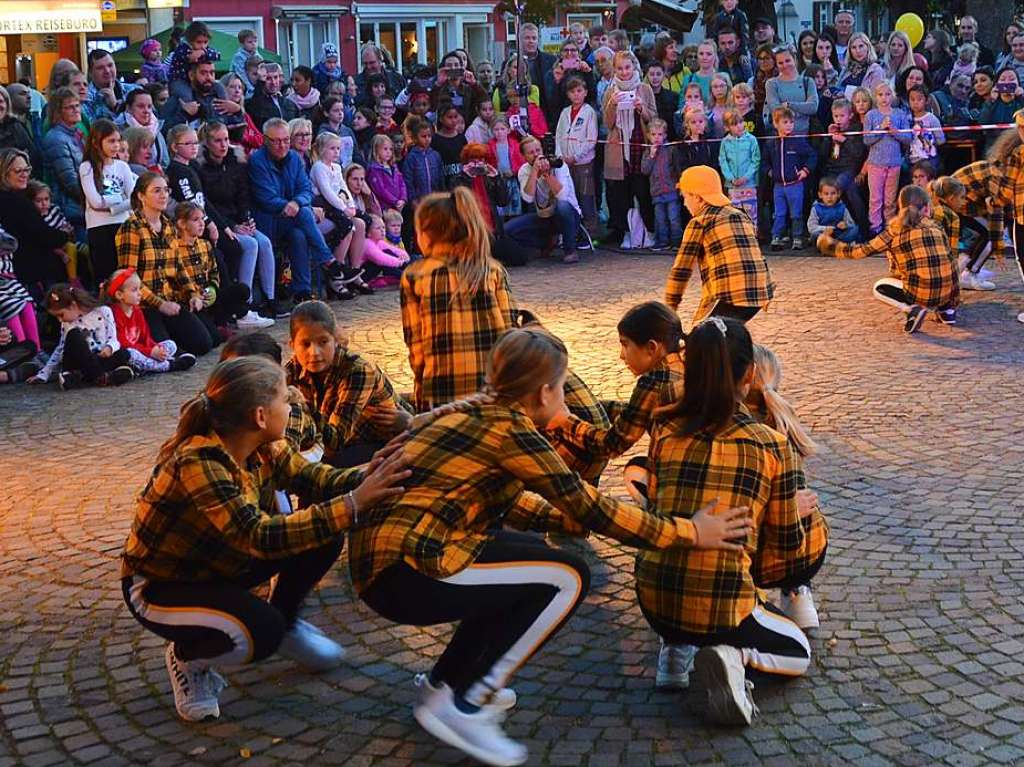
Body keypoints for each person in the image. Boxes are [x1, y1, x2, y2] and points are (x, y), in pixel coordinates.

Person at [349, 324, 751, 765]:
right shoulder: (513, 430)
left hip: (386, 561)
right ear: (543, 393)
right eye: (561, 390)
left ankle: (442, 686)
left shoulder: (478, 412)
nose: (564, 401)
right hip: (406, 569)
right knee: (565, 576)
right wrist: (690, 532)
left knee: (511, 568)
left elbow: (512, 503)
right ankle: (469, 702)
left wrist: (567, 520)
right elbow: (589, 505)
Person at [121, 354, 411, 722]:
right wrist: (354, 504)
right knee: (258, 634)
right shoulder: (199, 462)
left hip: (222, 564)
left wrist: (376, 471)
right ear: (260, 416)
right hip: (160, 588)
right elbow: (257, 535)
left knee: (320, 536)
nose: (291, 407)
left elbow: (318, 481)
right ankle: (189, 656)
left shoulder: (265, 447)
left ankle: (285, 622)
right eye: (284, 401)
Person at [632, 316, 810, 724]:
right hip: (724, 604)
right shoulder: (771, 444)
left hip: (655, 598)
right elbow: (784, 545)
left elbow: (659, 505)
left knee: (682, 563)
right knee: (796, 652)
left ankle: (674, 649)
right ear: (749, 374)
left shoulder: (663, 426)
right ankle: (731, 654)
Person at [400, 188, 516, 411]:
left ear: (426, 233)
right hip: (494, 392)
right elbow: (511, 332)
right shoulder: (492, 270)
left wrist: (420, 393)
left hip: (443, 394)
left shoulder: (415, 276)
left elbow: (416, 346)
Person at [549, 301, 684, 478]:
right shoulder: (683, 366)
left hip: (676, 477)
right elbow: (641, 415)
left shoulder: (655, 381)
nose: (621, 355)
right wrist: (597, 406)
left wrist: (565, 421)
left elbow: (611, 445)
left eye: (625, 344)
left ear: (651, 347)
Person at [817, 184, 960, 332]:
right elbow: (952, 265)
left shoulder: (895, 230)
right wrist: (953, 301)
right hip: (945, 294)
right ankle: (946, 311)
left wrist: (832, 247)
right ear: (926, 208)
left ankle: (911, 309)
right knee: (938, 269)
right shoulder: (937, 228)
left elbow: (861, 251)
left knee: (880, 287)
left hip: (920, 295)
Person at [285, 300, 411, 466]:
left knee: (322, 466)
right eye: (305, 344)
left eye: (323, 342)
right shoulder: (294, 368)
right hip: (344, 441)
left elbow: (334, 443)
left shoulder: (357, 370)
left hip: (383, 440)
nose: (314, 353)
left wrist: (303, 408)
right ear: (292, 345)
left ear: (335, 341)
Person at [248, 119, 352, 303]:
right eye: (276, 141)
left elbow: (305, 189)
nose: (282, 145)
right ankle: (328, 260)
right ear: (265, 140)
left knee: (299, 235)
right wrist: (291, 205)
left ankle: (302, 291)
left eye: (286, 140)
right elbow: (266, 198)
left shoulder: (295, 159)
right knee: (304, 215)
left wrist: (296, 202)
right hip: (268, 219)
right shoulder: (257, 161)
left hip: (291, 219)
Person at [115, 172, 213, 356]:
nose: (164, 195)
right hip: (144, 305)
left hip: (171, 299)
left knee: (205, 344)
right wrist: (159, 304)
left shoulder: (168, 226)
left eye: (166, 190)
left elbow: (178, 266)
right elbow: (128, 277)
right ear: (141, 196)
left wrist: (192, 293)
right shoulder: (132, 227)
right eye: (156, 191)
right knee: (166, 351)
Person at [664, 165, 774, 325]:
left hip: (729, 294)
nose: (685, 204)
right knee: (724, 334)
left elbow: (681, 270)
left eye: (685, 197)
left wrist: (669, 308)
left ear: (698, 198)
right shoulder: (739, 214)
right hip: (760, 292)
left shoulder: (700, 222)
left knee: (700, 339)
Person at [197, 121, 282, 319]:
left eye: (226, 139)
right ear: (207, 143)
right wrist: (231, 225)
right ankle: (247, 303)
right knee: (250, 245)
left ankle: (270, 299)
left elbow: (243, 195)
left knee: (264, 242)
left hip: (237, 218)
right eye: (217, 141)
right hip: (220, 222)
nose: (223, 145)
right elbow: (208, 203)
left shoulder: (236, 162)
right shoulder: (201, 167)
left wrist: (247, 219)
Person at [28, 283, 134, 389]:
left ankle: (91, 377)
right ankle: (101, 377)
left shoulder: (103, 311)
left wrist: (109, 348)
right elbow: (61, 348)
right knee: (74, 335)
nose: (60, 320)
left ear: (73, 305)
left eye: (61, 315)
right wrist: (44, 374)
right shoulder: (67, 324)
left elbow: (114, 339)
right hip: (79, 362)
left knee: (124, 354)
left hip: (97, 358)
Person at [603, 51, 656, 246]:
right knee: (621, 195)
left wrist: (641, 108)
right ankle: (627, 232)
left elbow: (654, 119)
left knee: (643, 192)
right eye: (619, 68)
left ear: (634, 67)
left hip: (639, 146)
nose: (624, 72)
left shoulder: (645, 89)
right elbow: (607, 124)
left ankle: (649, 232)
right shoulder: (610, 91)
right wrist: (613, 105)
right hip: (619, 148)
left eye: (627, 67)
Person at [506, 135, 584, 264]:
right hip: (543, 216)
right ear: (524, 156)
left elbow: (562, 196)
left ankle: (570, 250)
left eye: (538, 150)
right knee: (508, 230)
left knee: (562, 206)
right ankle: (545, 242)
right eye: (531, 153)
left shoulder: (559, 165)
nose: (536, 155)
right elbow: (528, 198)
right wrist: (535, 172)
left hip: (568, 215)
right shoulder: (524, 170)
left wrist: (547, 174)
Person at [0, 148, 68, 296]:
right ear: (4, 173)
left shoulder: (19, 198)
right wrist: (64, 235)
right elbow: (42, 234)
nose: (24, 174)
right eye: (18, 171)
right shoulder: (15, 202)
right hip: (30, 275)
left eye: (27, 169)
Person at [104, 267, 196, 375]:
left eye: (139, 289)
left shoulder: (137, 311)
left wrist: (155, 348)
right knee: (131, 354)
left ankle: (148, 366)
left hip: (144, 351)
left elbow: (145, 337)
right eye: (134, 290)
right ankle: (169, 365)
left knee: (171, 344)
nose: (140, 294)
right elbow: (123, 343)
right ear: (119, 295)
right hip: (130, 352)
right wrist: (150, 352)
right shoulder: (114, 314)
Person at [79, 119, 137, 284]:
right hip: (99, 228)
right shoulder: (87, 167)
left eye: (118, 141)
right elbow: (95, 202)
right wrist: (120, 200)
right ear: (97, 143)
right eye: (111, 141)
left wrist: (112, 208)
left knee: (125, 274)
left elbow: (134, 199)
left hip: (123, 224)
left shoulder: (123, 167)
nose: (116, 146)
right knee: (106, 276)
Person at [767, 107, 816, 250]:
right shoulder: (771, 143)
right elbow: (764, 161)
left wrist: (805, 171)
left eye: (791, 122)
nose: (789, 125)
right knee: (779, 213)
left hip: (795, 184)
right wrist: (769, 172)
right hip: (778, 186)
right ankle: (776, 237)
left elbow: (812, 155)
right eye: (785, 122)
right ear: (776, 124)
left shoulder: (797, 141)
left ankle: (797, 237)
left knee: (796, 213)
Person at [555, 76, 598, 232]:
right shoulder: (565, 112)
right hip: (565, 163)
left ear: (585, 92)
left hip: (583, 163)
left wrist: (576, 157)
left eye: (579, 91)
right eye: (572, 91)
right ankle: (573, 231)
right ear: (568, 94)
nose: (576, 95)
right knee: (569, 197)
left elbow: (591, 139)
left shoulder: (589, 112)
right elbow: (558, 136)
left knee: (585, 197)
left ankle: (591, 232)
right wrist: (560, 157)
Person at [41, 87, 86, 235]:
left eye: (77, 105)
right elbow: (69, 181)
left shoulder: (77, 134)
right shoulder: (56, 139)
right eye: (69, 107)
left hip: (81, 206)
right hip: (71, 209)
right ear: (57, 112)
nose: (76, 109)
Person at [163, 60, 242, 133]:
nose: (209, 77)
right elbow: (164, 130)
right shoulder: (180, 99)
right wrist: (184, 114)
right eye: (203, 73)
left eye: (212, 73)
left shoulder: (219, 98)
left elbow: (237, 133)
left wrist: (238, 112)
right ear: (191, 75)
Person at [642, 118, 683, 249]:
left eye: (660, 134)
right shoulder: (647, 151)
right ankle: (662, 241)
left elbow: (677, 167)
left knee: (674, 217)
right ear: (648, 135)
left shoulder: (670, 149)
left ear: (665, 135)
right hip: (657, 191)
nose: (657, 138)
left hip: (671, 190)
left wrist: (679, 184)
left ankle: (676, 241)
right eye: (653, 134)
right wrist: (651, 156)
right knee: (660, 219)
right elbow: (645, 170)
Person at [0, 225, 40, 359]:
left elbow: (11, 244)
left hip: (9, 280)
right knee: (11, 306)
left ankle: (37, 350)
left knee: (27, 303)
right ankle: (22, 355)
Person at [718, 108, 760, 227]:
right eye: (735, 124)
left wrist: (746, 178)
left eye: (741, 122)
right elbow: (723, 161)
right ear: (727, 127)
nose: (739, 126)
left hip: (749, 184)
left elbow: (755, 160)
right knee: (734, 214)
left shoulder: (752, 140)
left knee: (751, 213)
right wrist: (731, 178)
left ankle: (752, 237)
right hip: (732, 186)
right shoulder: (725, 142)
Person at [765, 46, 818, 136]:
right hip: (781, 137)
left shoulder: (808, 81)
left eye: (788, 61)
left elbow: (813, 107)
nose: (785, 65)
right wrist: (801, 109)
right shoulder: (771, 83)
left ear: (795, 59)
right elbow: (775, 109)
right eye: (780, 63)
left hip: (805, 136)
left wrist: (789, 105)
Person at [84, 50, 138, 123]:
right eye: (100, 68)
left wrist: (115, 106)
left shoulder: (134, 90)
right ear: (90, 73)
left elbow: (150, 125)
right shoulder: (85, 99)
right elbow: (95, 131)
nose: (107, 71)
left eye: (110, 65)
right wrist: (115, 109)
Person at [807, 176, 859, 246]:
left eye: (833, 193)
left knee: (856, 229)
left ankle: (837, 244)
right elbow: (811, 227)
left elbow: (851, 223)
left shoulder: (842, 207)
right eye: (826, 194)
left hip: (838, 234)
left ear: (838, 194)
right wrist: (826, 229)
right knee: (814, 235)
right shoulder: (816, 208)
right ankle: (834, 244)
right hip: (823, 234)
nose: (829, 197)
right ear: (820, 195)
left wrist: (846, 225)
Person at [518, 23, 557, 114]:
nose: (531, 41)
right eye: (527, 38)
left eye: (534, 38)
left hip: (546, 111)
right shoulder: (512, 62)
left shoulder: (551, 60)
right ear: (519, 40)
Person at [247, 63, 298, 129]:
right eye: (268, 78)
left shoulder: (290, 104)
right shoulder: (252, 104)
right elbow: (257, 108)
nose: (273, 82)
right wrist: (260, 83)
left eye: (275, 77)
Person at [838, 33, 886, 100]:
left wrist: (846, 93)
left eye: (861, 46)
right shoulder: (846, 69)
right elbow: (837, 87)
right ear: (850, 51)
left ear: (868, 47)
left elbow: (875, 97)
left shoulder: (876, 70)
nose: (858, 51)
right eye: (854, 47)